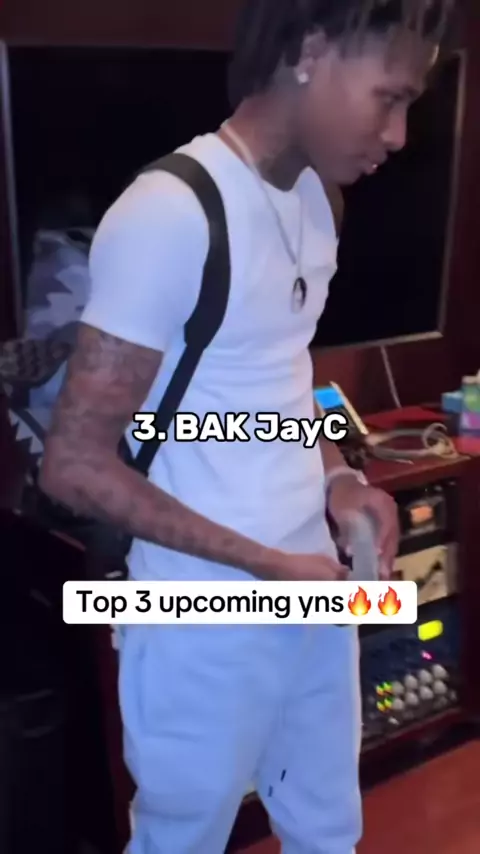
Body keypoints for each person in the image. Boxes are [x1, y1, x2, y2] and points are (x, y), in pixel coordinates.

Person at [40, 0, 452, 851]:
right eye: (389, 97)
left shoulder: (319, 201)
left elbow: (277, 387)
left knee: (326, 827)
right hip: (204, 617)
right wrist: (268, 566)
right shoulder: (169, 212)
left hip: (313, 591)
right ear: (310, 51)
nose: (399, 134)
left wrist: (341, 480)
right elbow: (74, 464)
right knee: (182, 839)